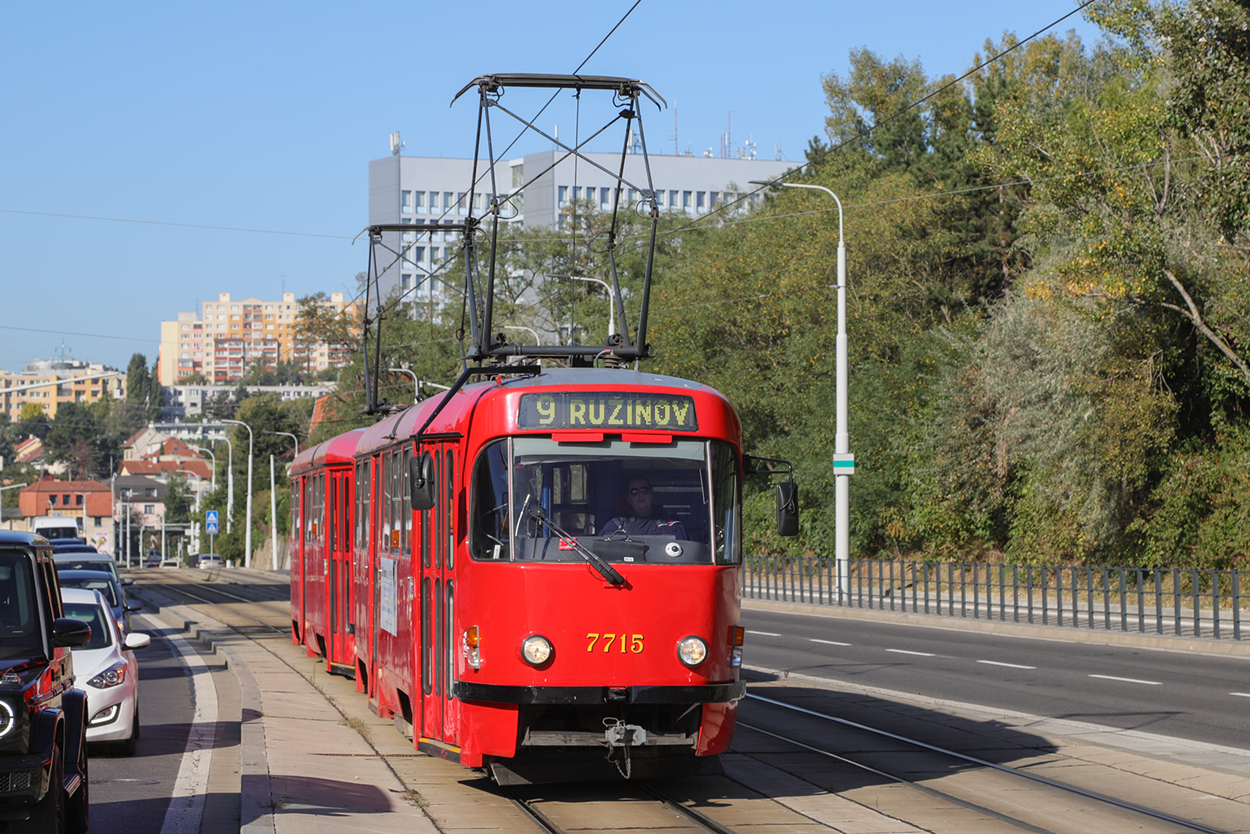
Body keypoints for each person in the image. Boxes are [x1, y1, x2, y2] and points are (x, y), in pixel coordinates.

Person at [599, 476, 688, 538]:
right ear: (628, 498)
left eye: (644, 490)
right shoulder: (617, 524)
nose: (640, 495)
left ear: (651, 494)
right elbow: (604, 547)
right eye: (634, 492)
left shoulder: (670, 523)